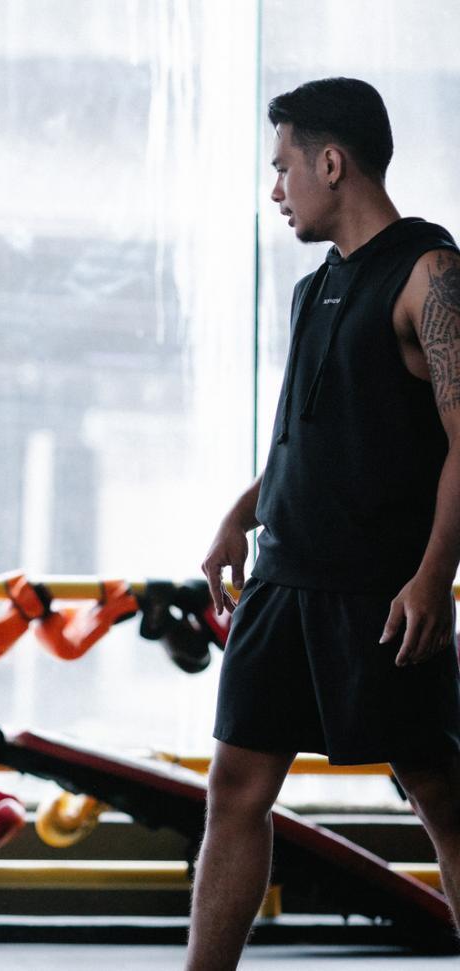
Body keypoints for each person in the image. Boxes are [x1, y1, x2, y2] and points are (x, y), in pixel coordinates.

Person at [193, 77, 460, 968]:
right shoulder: (315, 289)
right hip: (283, 581)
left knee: (441, 798)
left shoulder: (430, 275)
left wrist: (433, 577)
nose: (277, 189)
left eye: (284, 167)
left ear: (332, 163)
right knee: (235, 788)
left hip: (379, 593)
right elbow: (307, 437)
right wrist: (239, 515)